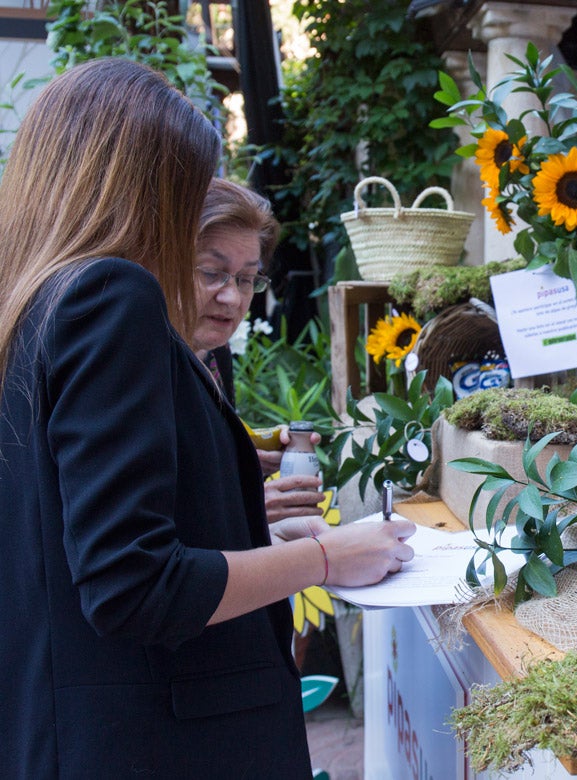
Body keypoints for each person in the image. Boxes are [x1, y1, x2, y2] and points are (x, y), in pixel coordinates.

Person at [0, 58, 414, 778]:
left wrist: (250, 529)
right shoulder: (111, 295)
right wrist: (325, 559)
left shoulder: (33, 307)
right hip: (159, 746)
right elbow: (132, 586)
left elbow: (74, 551)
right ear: (144, 191)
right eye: (183, 191)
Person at [193, 177, 325, 524]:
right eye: (211, 273)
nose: (232, 298)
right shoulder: (138, 368)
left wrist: (247, 460)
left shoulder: (214, 354)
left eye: (247, 278)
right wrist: (248, 506)